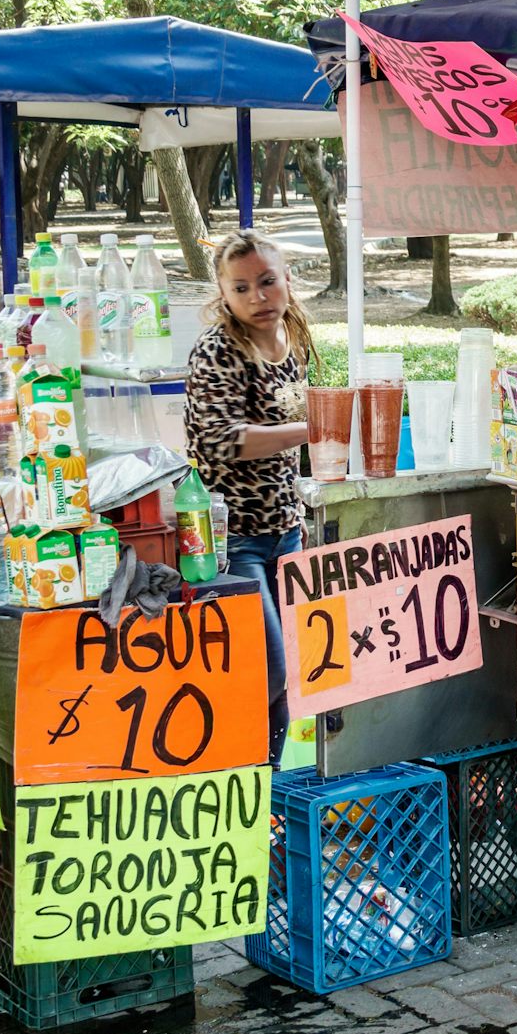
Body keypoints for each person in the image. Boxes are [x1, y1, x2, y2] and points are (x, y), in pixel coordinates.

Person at [185, 230, 313, 765]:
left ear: (286, 280)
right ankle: (250, 777)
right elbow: (217, 439)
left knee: (299, 670)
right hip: (231, 538)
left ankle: (278, 781)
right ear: (224, 295)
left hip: (288, 525)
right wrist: (314, 430)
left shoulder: (294, 334)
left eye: (267, 282)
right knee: (270, 668)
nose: (258, 297)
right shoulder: (218, 349)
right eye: (242, 289)